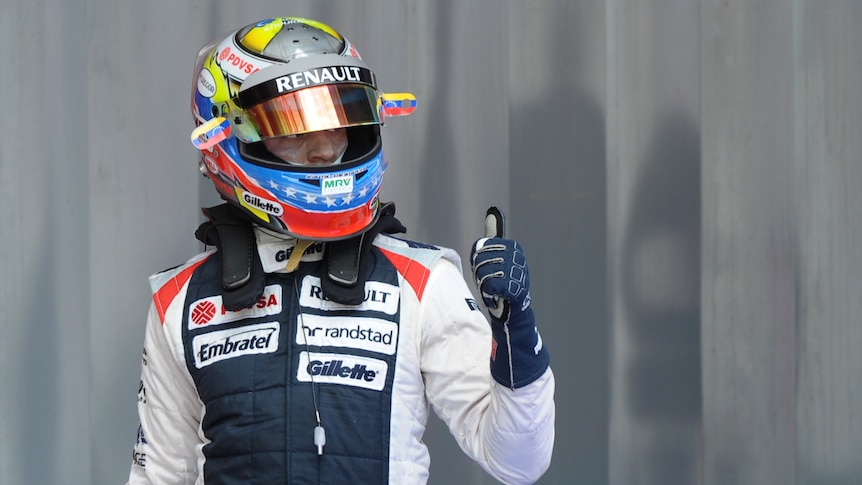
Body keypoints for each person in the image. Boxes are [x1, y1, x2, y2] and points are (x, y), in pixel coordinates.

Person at [127, 16, 554, 485]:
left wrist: (517, 333)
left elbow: (518, 462)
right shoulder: (178, 300)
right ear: (224, 138)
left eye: (339, 122)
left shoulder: (424, 280)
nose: (324, 149)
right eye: (292, 128)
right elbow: (160, 476)